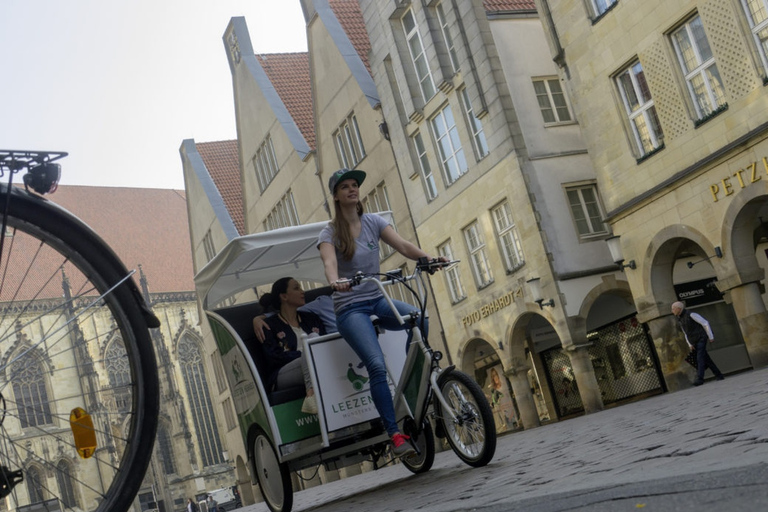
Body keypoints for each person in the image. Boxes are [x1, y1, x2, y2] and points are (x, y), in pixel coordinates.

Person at [318, 168, 446, 457]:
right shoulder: (329, 233)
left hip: (377, 298)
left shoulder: (374, 222)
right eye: (345, 187)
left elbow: (402, 246)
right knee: (375, 364)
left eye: (355, 185)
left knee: (419, 319)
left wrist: (429, 259)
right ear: (336, 196)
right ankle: (395, 434)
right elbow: (329, 263)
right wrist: (335, 281)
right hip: (350, 308)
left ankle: (410, 380)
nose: (352, 189)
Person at [257, 277, 326, 413]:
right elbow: (274, 357)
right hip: (283, 373)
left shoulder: (311, 318)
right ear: (284, 296)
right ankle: (311, 393)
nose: (302, 291)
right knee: (311, 343)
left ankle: (312, 395)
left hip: (314, 363)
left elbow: (324, 343)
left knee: (313, 344)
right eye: (296, 288)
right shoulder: (269, 325)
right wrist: (305, 353)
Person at [671, 301, 725, 386]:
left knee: (700, 357)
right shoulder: (680, 318)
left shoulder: (691, 314)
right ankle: (719, 374)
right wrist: (689, 344)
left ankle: (700, 379)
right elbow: (686, 332)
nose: (672, 310)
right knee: (706, 358)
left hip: (701, 338)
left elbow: (705, 323)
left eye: (673, 309)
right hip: (694, 340)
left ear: (679, 308)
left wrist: (710, 336)